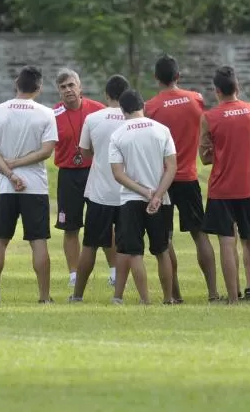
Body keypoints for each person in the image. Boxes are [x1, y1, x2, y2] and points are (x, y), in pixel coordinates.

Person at [145, 54, 218, 302]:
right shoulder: (196, 99)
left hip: (162, 179)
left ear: (156, 78)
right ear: (178, 76)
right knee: (200, 234)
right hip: (188, 176)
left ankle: (174, 295)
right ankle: (213, 292)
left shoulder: (150, 107)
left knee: (166, 239)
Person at [0, 66, 58, 304]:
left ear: (17, 84)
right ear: (39, 87)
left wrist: (9, 171)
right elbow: (47, 151)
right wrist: (19, 164)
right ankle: (44, 297)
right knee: (38, 242)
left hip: (5, 187)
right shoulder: (46, 113)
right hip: (34, 186)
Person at [199, 66, 250, 305]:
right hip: (248, 186)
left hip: (221, 188)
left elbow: (204, 157)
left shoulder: (209, 117)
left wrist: (219, 153)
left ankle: (233, 298)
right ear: (238, 87)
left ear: (217, 91)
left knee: (227, 242)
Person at [109, 89, 178, 305]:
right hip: (161, 199)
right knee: (162, 249)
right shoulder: (162, 130)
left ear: (122, 110)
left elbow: (118, 173)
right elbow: (172, 167)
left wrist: (143, 192)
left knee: (134, 252)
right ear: (143, 106)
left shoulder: (118, 134)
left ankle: (145, 299)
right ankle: (168, 298)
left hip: (131, 199)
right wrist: (156, 195)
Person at [69, 75, 130, 302]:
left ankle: (78, 295)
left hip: (99, 193)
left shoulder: (93, 118)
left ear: (106, 95)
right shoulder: (131, 120)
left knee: (90, 245)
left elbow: (85, 152)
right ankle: (118, 296)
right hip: (126, 193)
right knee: (124, 247)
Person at [53, 68, 108, 288]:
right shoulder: (53, 114)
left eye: (71, 85)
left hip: (95, 172)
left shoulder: (98, 110)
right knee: (70, 228)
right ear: (58, 91)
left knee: (104, 224)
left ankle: (114, 271)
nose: (68, 90)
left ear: (80, 86)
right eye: (63, 87)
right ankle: (74, 274)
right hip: (68, 174)